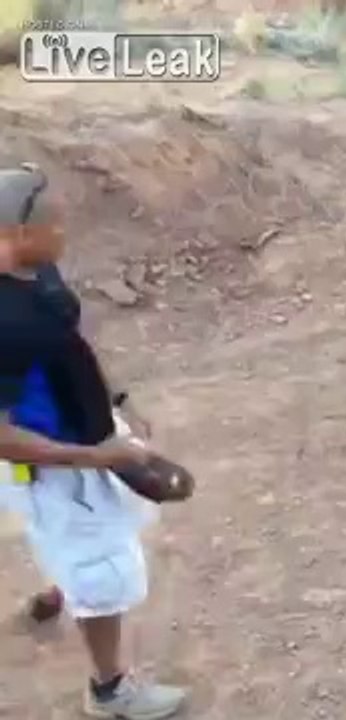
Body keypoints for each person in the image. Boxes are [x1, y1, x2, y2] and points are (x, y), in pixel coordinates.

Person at [0, 165, 187, 719]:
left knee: (115, 524)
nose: (65, 228)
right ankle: (109, 691)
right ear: (15, 234)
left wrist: (119, 402)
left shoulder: (42, 274)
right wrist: (96, 456)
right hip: (55, 464)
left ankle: (63, 584)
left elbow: (70, 341)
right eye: (53, 222)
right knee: (105, 570)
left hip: (92, 435)